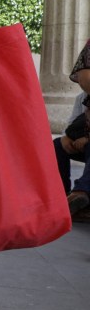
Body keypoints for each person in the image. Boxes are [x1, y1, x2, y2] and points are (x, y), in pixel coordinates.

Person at [55, 38, 90, 217]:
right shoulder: (81, 98)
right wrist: (67, 138)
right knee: (57, 145)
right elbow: (72, 124)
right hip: (81, 144)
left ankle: (82, 191)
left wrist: (86, 139)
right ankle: (63, 194)